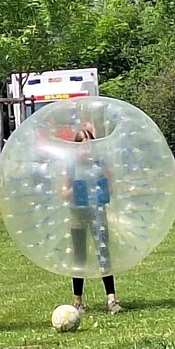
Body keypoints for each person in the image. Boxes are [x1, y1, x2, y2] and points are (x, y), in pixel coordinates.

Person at [66, 121, 122, 315]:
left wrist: (103, 190)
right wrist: (73, 190)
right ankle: (78, 301)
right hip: (77, 214)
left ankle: (112, 299)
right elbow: (62, 192)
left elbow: (112, 185)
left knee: (103, 253)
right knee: (79, 256)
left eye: (89, 145)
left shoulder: (100, 165)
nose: (86, 150)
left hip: (98, 212)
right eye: (83, 146)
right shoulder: (71, 167)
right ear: (77, 147)